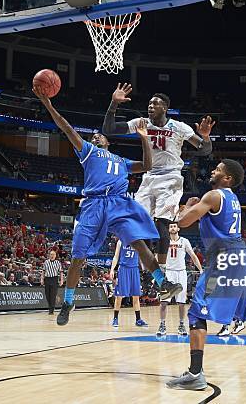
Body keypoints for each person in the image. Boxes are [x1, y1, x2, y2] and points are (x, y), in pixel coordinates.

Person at [32, 86, 183, 327]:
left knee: (139, 243)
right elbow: (66, 127)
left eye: (98, 136)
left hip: (119, 204)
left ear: (108, 142)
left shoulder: (121, 161)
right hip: (93, 204)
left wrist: (145, 139)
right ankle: (68, 302)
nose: (95, 136)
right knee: (78, 258)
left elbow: (146, 164)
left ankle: (162, 282)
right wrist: (48, 105)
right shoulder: (88, 152)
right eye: (93, 136)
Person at [166, 159, 246, 391]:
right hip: (240, 258)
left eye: (218, 169)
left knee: (196, 311)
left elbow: (182, 221)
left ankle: (195, 373)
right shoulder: (232, 198)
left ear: (228, 178)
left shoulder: (214, 195)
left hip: (224, 261)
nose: (213, 171)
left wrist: (187, 206)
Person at [102, 84, 215, 276]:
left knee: (162, 223)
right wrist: (113, 103)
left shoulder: (179, 127)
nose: (150, 106)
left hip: (170, 177)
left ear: (165, 108)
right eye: (149, 103)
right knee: (140, 222)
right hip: (149, 177)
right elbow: (109, 129)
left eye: (155, 104)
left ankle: (163, 272)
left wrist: (205, 137)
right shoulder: (141, 123)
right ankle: (151, 272)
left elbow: (204, 150)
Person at [157, 223, 203, 337]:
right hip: (169, 273)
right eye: (170, 226)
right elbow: (157, 256)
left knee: (181, 302)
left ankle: (181, 325)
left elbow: (192, 255)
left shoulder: (184, 241)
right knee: (163, 302)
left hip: (181, 273)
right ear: (168, 229)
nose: (172, 228)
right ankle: (162, 325)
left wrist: (200, 269)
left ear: (178, 228)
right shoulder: (165, 242)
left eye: (174, 226)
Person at [110, 239, 148, 328]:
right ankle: (115, 318)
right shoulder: (120, 241)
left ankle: (138, 320)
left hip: (134, 269)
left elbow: (140, 256)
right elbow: (116, 256)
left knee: (136, 296)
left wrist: (143, 267)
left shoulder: (138, 242)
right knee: (119, 296)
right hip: (123, 269)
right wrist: (112, 269)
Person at [42, 250, 64, 315]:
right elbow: (43, 271)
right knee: (47, 294)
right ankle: (50, 307)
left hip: (54, 279)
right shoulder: (46, 262)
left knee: (53, 295)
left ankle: (51, 310)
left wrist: (61, 280)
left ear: (55, 256)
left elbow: (61, 272)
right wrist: (42, 279)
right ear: (49, 255)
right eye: (51, 254)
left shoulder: (58, 263)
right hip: (47, 279)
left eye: (53, 254)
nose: (52, 256)